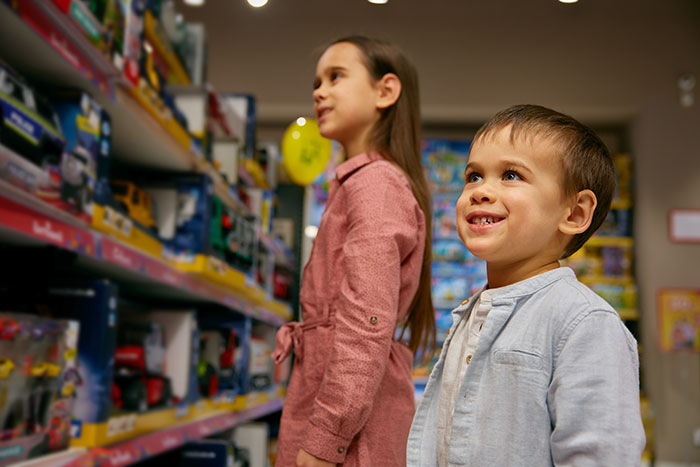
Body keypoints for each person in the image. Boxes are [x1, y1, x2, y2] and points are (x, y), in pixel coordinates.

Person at [407, 104, 646, 466]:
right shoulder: (472, 314)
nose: (481, 191)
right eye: (473, 176)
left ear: (575, 213)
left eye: (511, 175)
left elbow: (600, 453)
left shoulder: (585, 323)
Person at [271, 36, 436, 467]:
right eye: (317, 81)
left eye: (336, 76)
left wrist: (326, 438)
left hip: (351, 431)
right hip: (346, 409)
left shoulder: (376, 184)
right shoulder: (359, 183)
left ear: (386, 91)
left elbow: (366, 320)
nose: (319, 91)